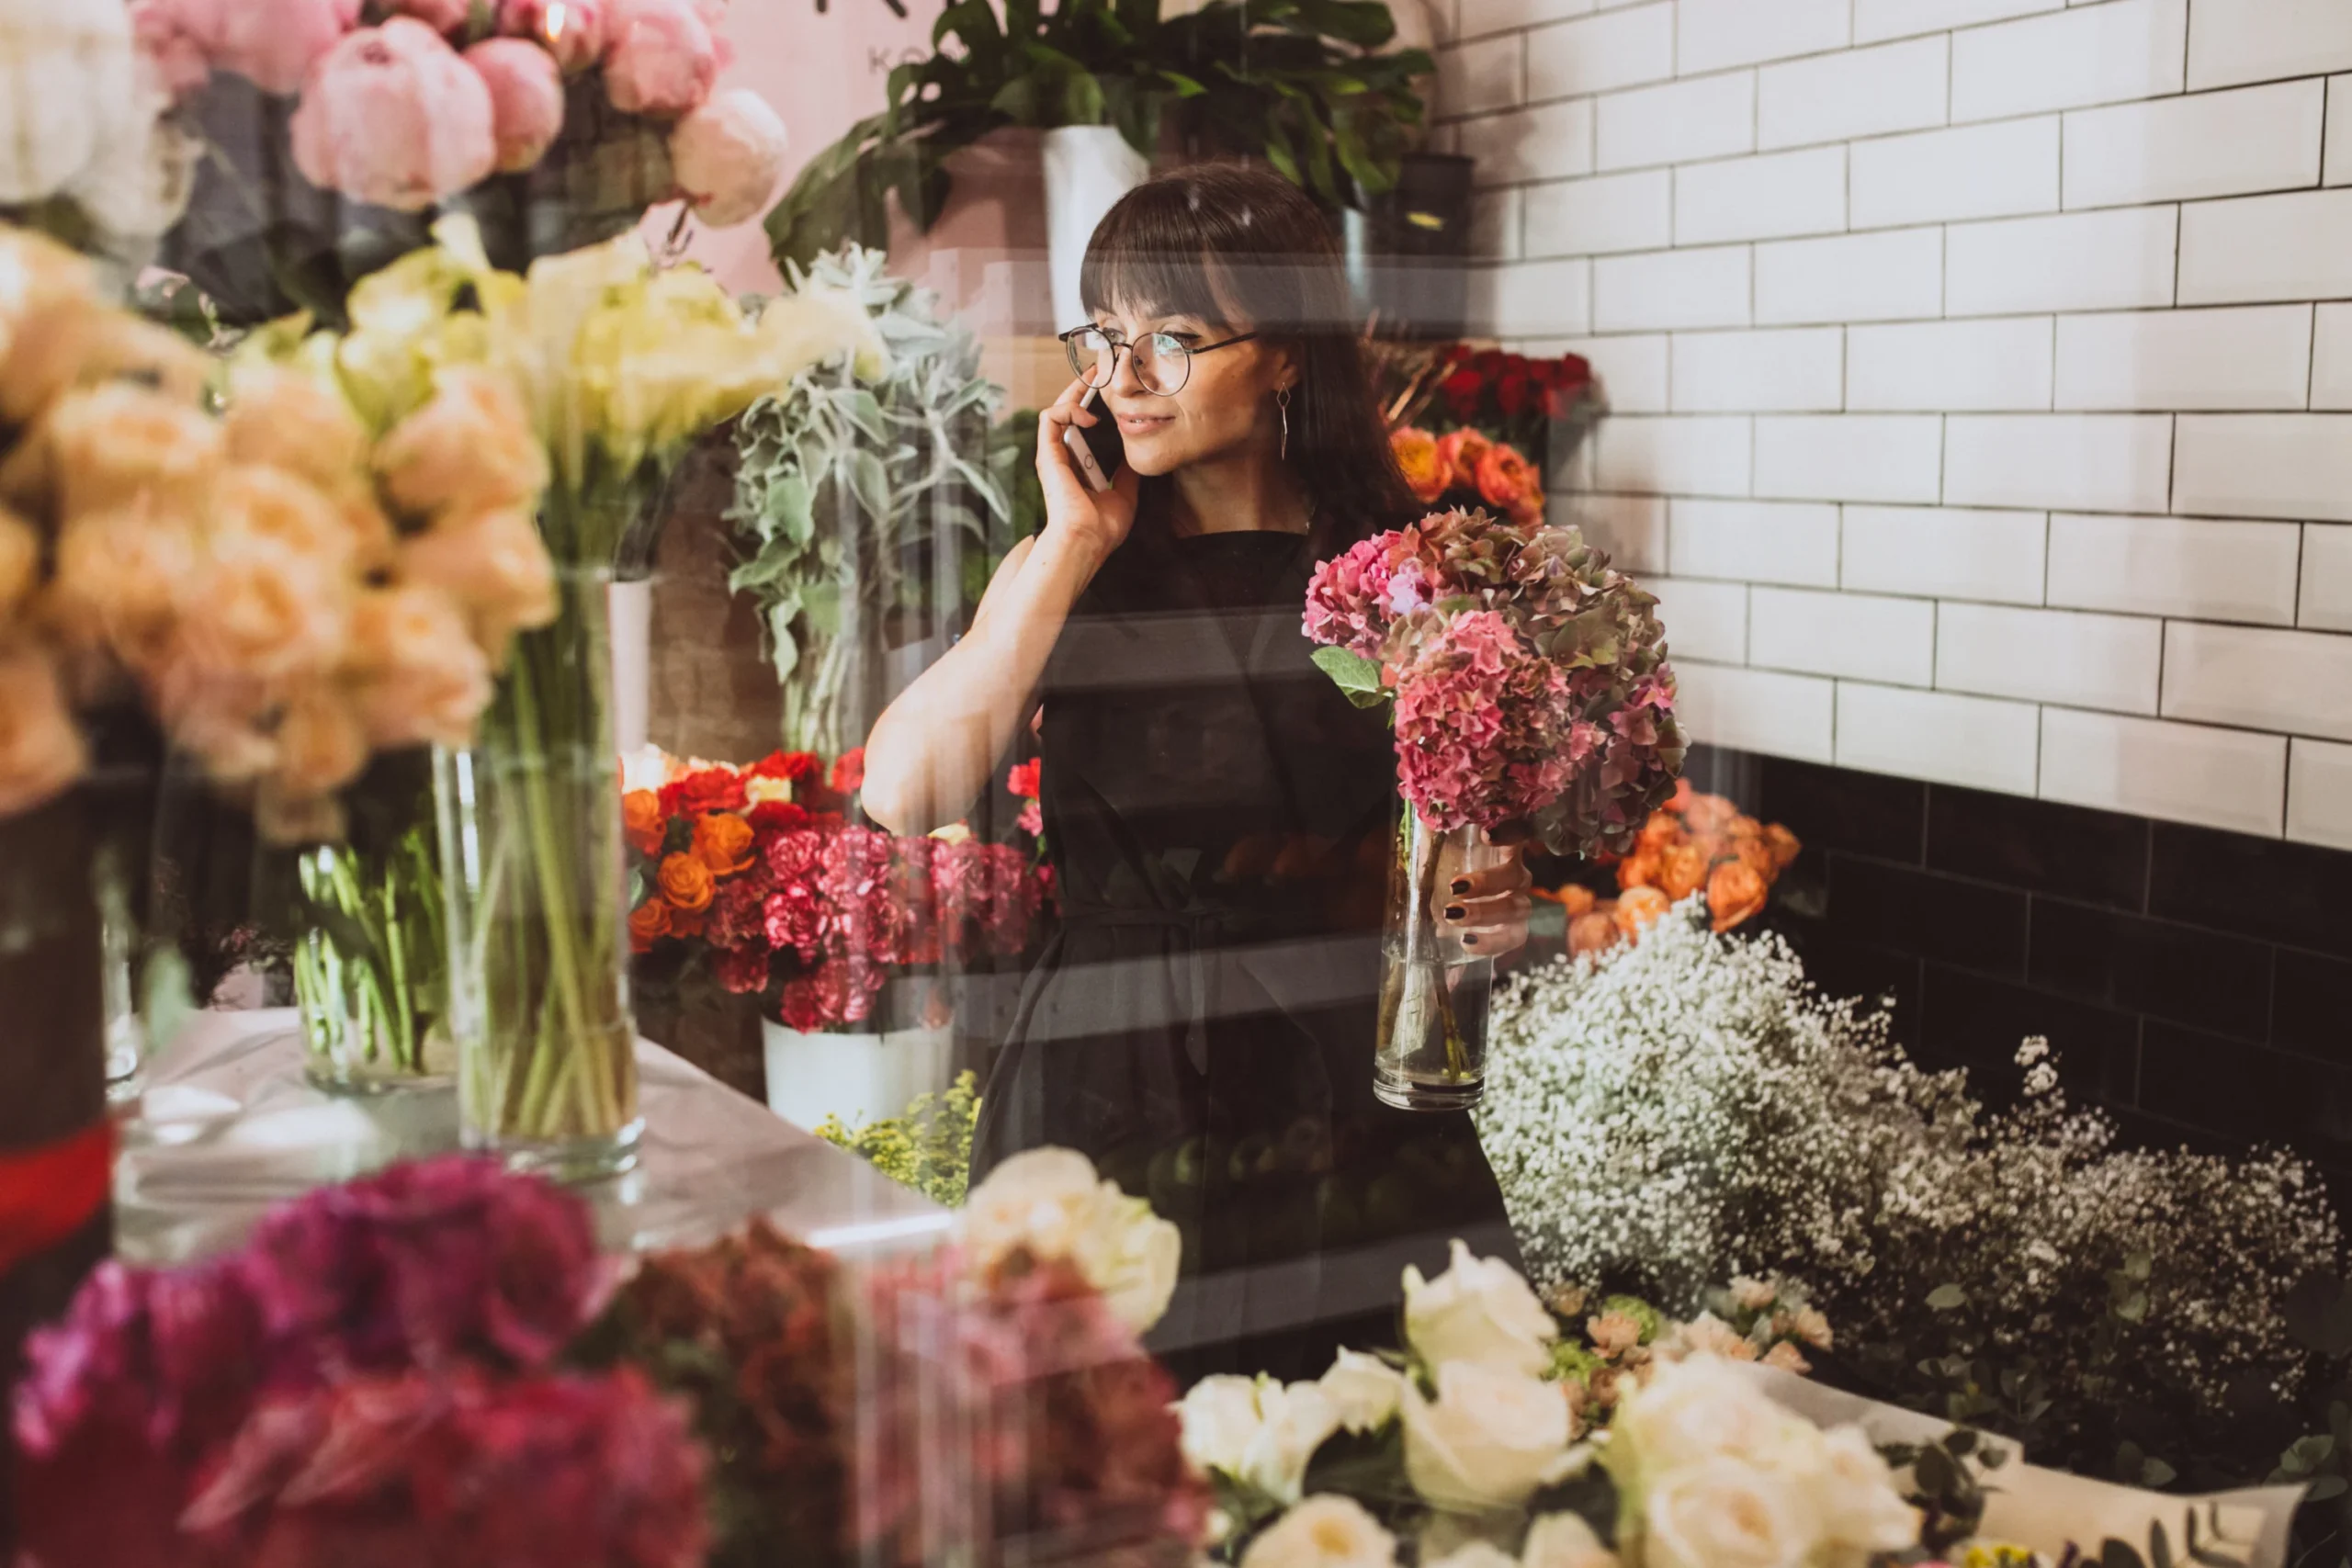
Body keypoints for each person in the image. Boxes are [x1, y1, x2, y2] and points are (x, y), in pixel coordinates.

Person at [860, 163, 1529, 1381]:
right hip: (1109, 1066)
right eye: (1107, 338)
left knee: (1357, 1455)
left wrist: (1490, 895)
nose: (1123, 379)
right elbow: (900, 788)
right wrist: (1071, 545)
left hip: (1327, 1073)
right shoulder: (1072, 558)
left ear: (1287, 355)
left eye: (1171, 339)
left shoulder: (1405, 568)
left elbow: (1457, 847)